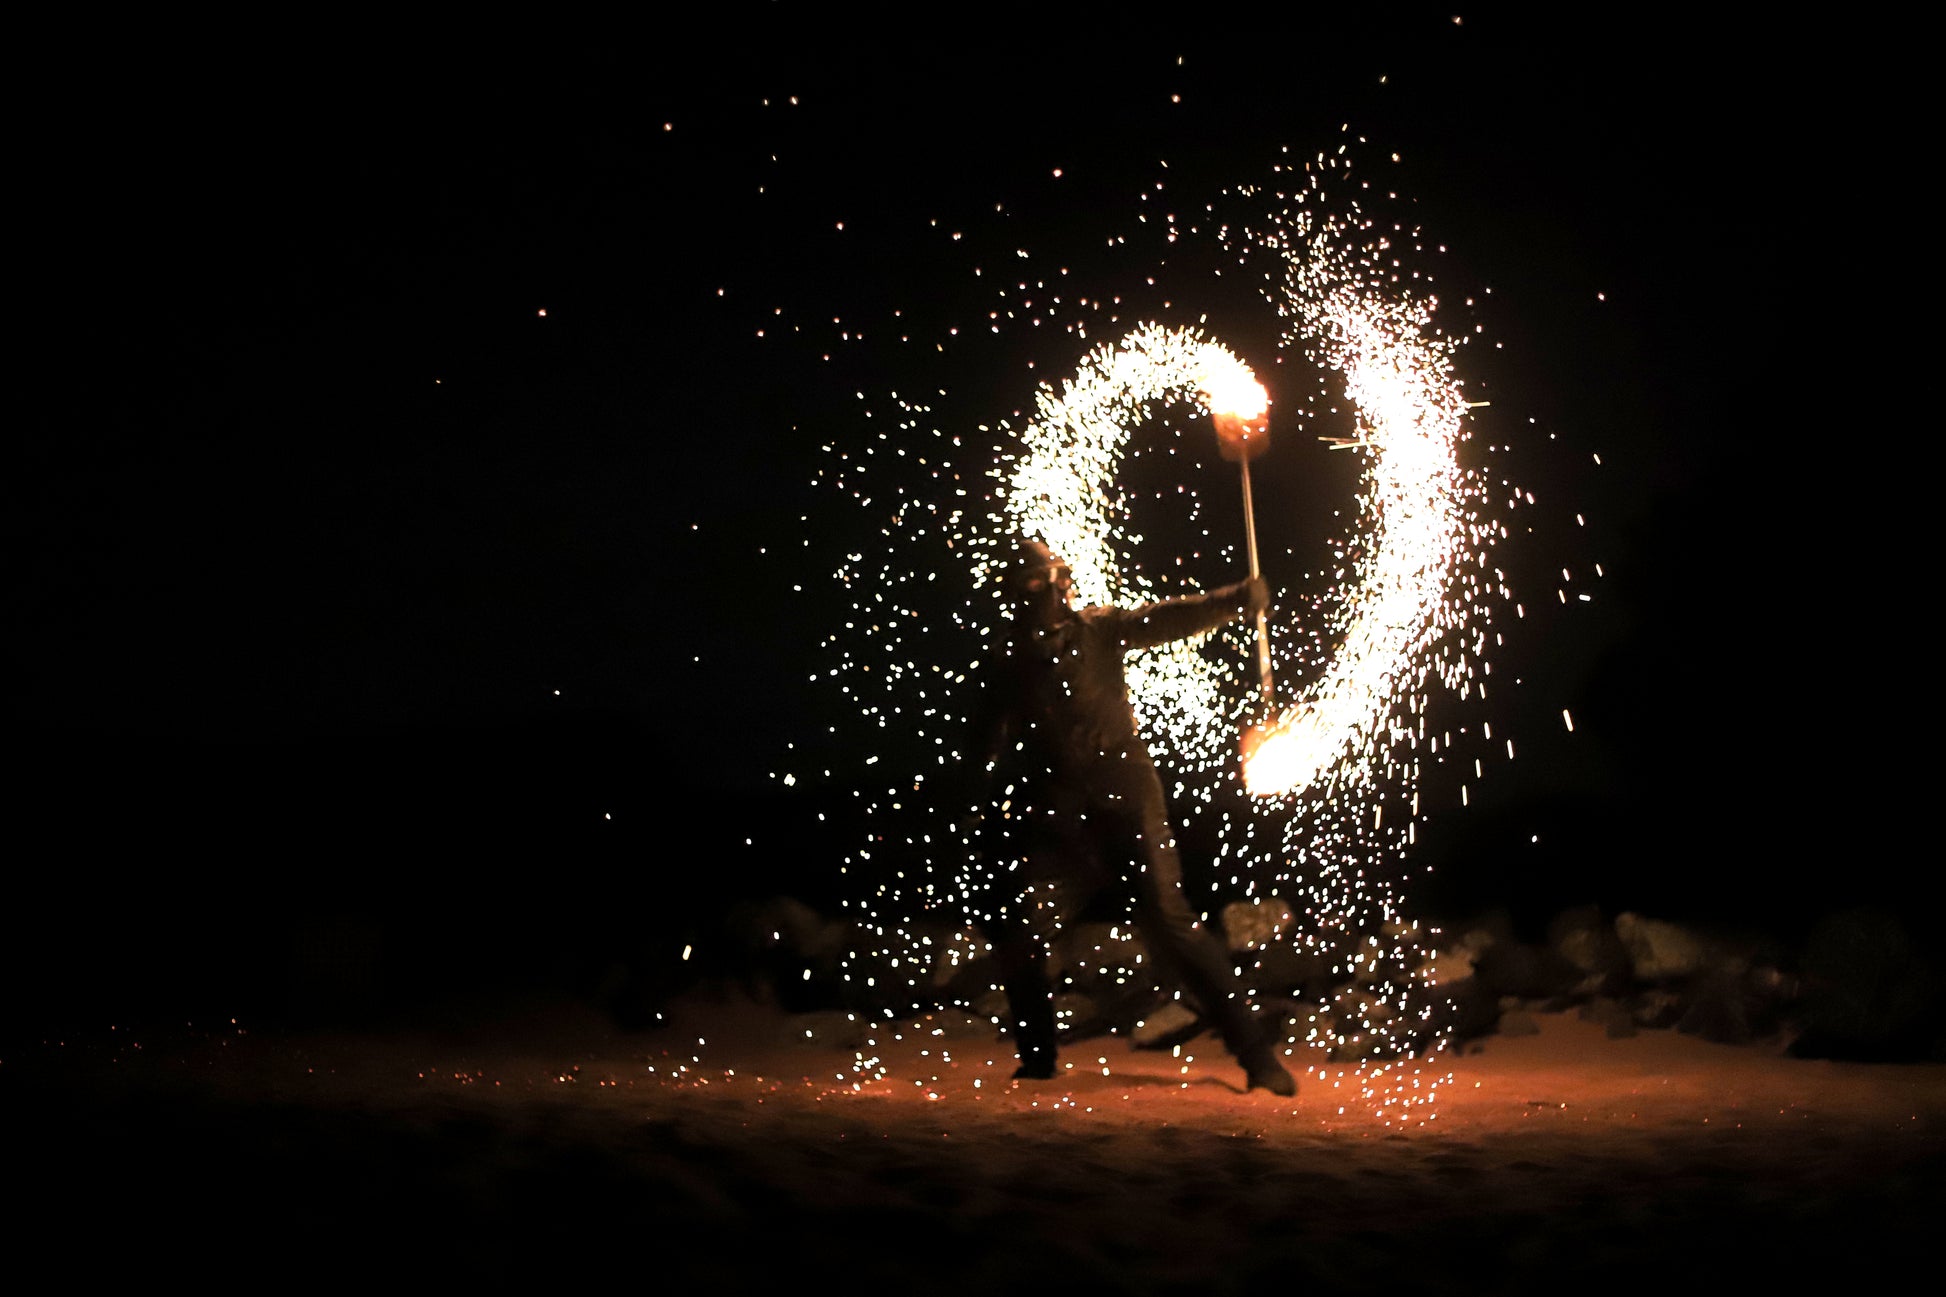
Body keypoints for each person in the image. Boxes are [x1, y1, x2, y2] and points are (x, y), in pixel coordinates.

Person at [971, 537, 1297, 1096]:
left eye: (1053, 582)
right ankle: (1038, 1062)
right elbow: (981, 745)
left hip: (1126, 809)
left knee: (1172, 927)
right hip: (1058, 821)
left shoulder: (1100, 631)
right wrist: (986, 815)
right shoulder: (1006, 662)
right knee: (1021, 930)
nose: (1051, 593)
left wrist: (1234, 599)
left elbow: (1165, 619)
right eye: (1034, 585)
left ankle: (1259, 1057)